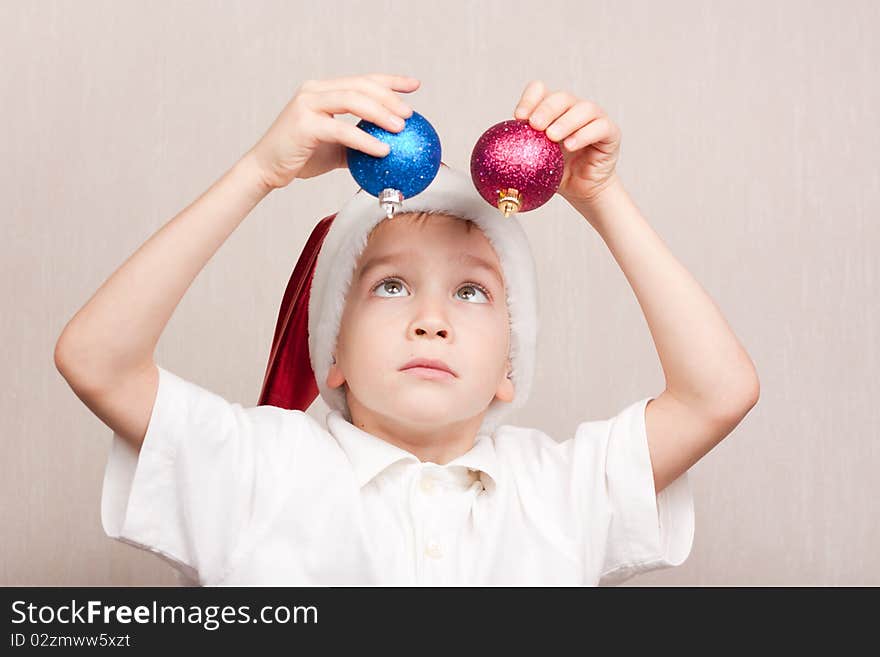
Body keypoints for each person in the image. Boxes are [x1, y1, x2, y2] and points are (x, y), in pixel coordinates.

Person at [54, 73, 760, 586]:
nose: (430, 320)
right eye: (391, 285)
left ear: (511, 364)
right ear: (332, 350)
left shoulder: (561, 490)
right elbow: (95, 360)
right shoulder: (252, 470)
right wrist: (258, 173)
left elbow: (718, 393)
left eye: (472, 291)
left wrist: (603, 198)